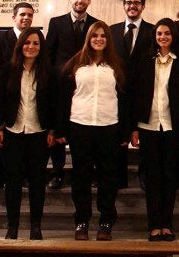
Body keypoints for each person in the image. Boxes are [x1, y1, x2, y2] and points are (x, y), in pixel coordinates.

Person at [56, 21, 128, 241]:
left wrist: (124, 132)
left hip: (109, 126)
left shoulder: (116, 65)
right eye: (95, 35)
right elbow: (63, 99)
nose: (99, 39)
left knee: (108, 176)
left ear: (108, 40)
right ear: (88, 38)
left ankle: (106, 221)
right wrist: (61, 129)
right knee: (81, 177)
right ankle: (82, 221)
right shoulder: (75, 65)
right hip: (80, 125)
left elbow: (125, 100)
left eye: (103, 36)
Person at [130, 19, 179, 242]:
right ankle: (154, 225)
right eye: (159, 34)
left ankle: (167, 224)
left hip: (173, 127)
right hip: (148, 126)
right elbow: (134, 95)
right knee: (153, 177)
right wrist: (133, 128)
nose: (162, 37)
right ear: (154, 36)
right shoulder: (145, 61)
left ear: (173, 36)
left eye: (166, 33)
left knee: (170, 177)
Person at [0, 27, 56, 240]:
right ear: (20, 45)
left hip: (39, 133)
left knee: (37, 182)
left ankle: (35, 226)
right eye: (27, 43)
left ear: (41, 47)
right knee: (12, 181)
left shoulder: (48, 72)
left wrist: (52, 130)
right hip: (12, 131)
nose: (31, 47)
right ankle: (12, 226)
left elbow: (53, 105)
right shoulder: (8, 70)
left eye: (36, 43)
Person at [45, 0, 100, 189]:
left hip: (87, 87)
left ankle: (87, 172)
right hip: (61, 86)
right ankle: (57, 172)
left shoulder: (96, 24)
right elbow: (49, 54)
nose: (80, 1)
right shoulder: (57, 23)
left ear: (89, 1)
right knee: (59, 127)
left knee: (86, 130)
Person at [0, 2, 35, 191]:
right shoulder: (2, 38)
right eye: (23, 14)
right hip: (4, 95)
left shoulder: (34, 39)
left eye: (30, 15)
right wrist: (12, 82)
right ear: (14, 17)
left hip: (27, 94)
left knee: (22, 141)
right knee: (1, 139)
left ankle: (21, 175)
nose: (26, 18)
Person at [110, 0, 153, 189]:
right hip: (116, 93)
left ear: (143, 6)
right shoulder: (111, 31)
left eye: (136, 3)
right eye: (128, 2)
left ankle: (144, 175)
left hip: (143, 92)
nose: (132, 6)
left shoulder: (153, 31)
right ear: (124, 5)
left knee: (143, 135)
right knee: (118, 136)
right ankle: (118, 177)